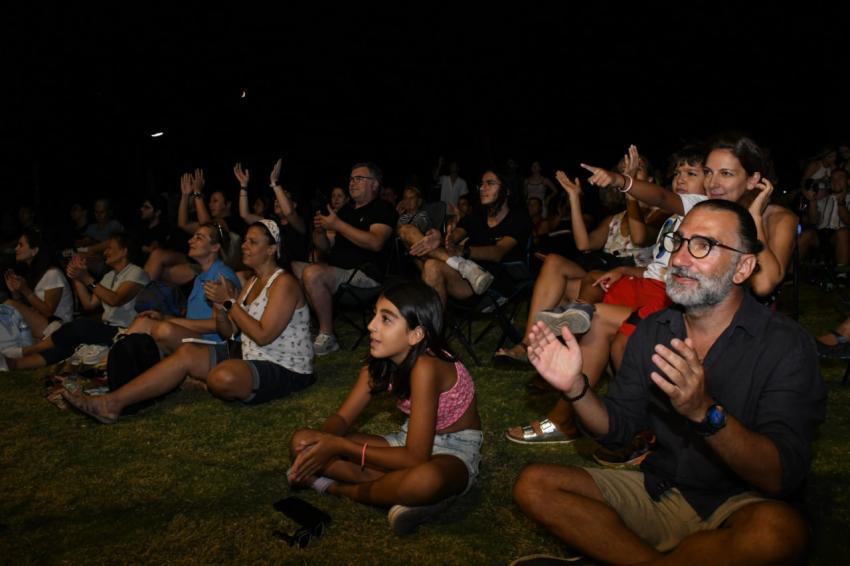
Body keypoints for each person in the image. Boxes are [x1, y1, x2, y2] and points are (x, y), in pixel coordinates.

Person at [511, 200, 825, 565]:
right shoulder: (653, 331)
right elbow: (618, 430)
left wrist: (704, 412)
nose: (679, 259)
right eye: (679, 241)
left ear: (743, 267)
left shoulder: (786, 345)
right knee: (535, 484)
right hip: (660, 489)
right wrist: (576, 389)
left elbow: (779, 477)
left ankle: (624, 554)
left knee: (779, 533)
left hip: (740, 502)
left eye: (703, 245)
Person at [61, 220, 315, 424]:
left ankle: (205, 381)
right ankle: (111, 403)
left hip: (285, 367)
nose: (245, 245)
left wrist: (229, 303)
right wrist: (220, 310)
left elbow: (263, 335)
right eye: (246, 240)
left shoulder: (284, 283)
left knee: (221, 379)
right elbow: (230, 332)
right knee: (186, 354)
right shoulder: (250, 284)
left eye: (253, 242)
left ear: (272, 249)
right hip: (249, 353)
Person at [287, 281, 482, 534]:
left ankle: (337, 488)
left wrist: (339, 446)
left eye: (386, 319)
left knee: (425, 480)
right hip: (407, 441)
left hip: (455, 451)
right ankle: (409, 496)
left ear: (416, 334)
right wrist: (321, 444)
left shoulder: (427, 366)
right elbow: (342, 418)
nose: (371, 326)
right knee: (302, 441)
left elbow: (415, 458)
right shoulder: (379, 363)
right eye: (375, 315)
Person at [4, 232, 149, 370]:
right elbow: (89, 304)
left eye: (110, 248)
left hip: (126, 331)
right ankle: (15, 364)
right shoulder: (109, 276)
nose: (105, 252)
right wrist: (77, 277)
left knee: (80, 326)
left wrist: (87, 278)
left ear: (124, 251)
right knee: (68, 346)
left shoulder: (136, 273)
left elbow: (115, 299)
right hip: (108, 329)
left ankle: (28, 351)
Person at [301, 163, 396, 355]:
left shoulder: (383, 208)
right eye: (351, 179)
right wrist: (319, 231)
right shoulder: (345, 211)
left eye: (359, 178)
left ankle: (327, 335)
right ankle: (302, 329)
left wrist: (337, 224)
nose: (353, 183)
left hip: (366, 274)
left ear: (375, 185)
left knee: (312, 273)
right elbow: (326, 247)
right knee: (291, 269)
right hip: (337, 271)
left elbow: (376, 242)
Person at [404, 169, 531, 306]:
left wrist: (462, 251)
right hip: (466, 276)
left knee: (430, 265)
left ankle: (462, 266)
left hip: (494, 282)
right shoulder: (477, 215)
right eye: (481, 184)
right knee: (406, 230)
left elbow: (498, 251)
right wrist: (443, 238)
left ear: (507, 190)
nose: (482, 188)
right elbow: (456, 234)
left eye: (490, 183)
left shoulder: (519, 218)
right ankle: (434, 324)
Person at [127, 222, 241, 354]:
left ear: (215, 247)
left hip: (215, 344)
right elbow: (192, 320)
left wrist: (167, 321)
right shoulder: (200, 278)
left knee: (160, 329)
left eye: (199, 238)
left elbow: (217, 325)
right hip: (197, 337)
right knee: (145, 324)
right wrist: (163, 317)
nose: (190, 240)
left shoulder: (222, 277)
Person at [3, 228, 73, 342]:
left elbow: (48, 311)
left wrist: (25, 290)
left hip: (58, 327)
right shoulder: (33, 274)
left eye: (21, 245)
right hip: (43, 325)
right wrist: (14, 291)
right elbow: (27, 310)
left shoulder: (52, 274)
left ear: (34, 250)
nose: (16, 249)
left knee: (8, 305)